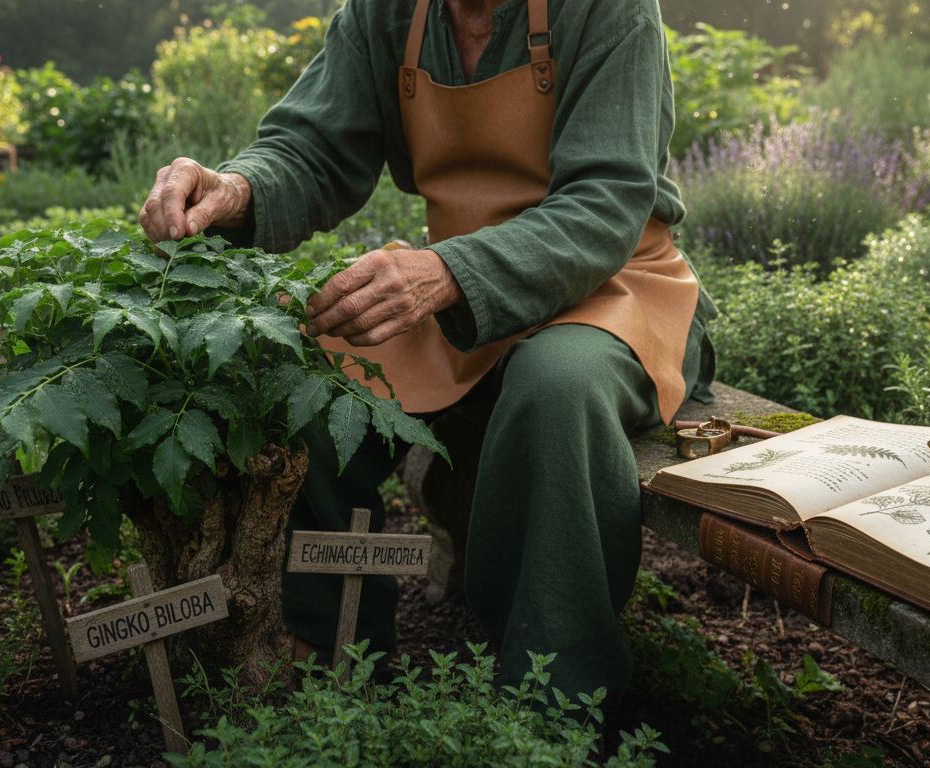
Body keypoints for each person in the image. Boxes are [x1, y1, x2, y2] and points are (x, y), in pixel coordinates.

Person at [139, 0, 716, 698]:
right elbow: (312, 148)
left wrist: (448, 272)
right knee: (310, 364)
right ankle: (334, 652)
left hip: (614, 281)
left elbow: (605, 200)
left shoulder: (608, 10)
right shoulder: (385, 14)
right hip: (463, 286)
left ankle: (557, 693)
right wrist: (233, 189)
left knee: (556, 385)